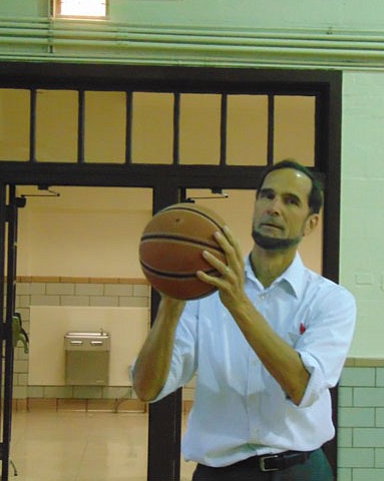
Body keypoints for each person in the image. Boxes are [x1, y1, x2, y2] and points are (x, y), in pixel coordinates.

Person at [132, 159, 357, 480]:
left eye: (290, 201)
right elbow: (146, 387)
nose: (274, 207)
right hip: (220, 472)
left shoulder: (331, 301)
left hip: (301, 470)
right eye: (267, 196)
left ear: (311, 223)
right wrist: (171, 302)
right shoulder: (203, 293)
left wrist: (238, 303)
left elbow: (301, 387)